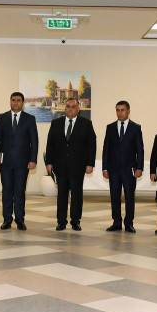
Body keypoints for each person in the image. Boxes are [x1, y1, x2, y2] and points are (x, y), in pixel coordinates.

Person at [44, 98, 96, 230]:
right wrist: (48, 162)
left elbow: (92, 145)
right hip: (60, 166)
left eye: (73, 106)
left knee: (77, 195)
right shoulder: (56, 123)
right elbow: (50, 144)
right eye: (68, 106)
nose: (70, 109)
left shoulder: (86, 123)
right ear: (65, 108)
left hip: (78, 166)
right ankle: (61, 221)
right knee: (62, 194)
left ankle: (75, 221)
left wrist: (90, 163)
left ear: (78, 109)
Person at [0, 92, 38, 230]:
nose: (15, 102)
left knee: (19, 191)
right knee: (6, 191)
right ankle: (7, 220)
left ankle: (19, 220)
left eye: (18, 100)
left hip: (23, 163)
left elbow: (34, 141)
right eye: (13, 100)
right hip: (5, 162)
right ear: (10, 101)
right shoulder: (2, 117)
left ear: (22, 103)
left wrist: (33, 159)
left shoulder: (30, 119)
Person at [102, 100, 144, 232]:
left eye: (122, 110)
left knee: (129, 197)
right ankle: (116, 222)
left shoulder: (135, 128)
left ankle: (129, 223)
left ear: (128, 111)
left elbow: (140, 149)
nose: (120, 113)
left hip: (129, 169)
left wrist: (139, 167)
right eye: (117, 110)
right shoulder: (110, 127)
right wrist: (104, 167)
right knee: (114, 196)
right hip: (113, 169)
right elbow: (106, 149)